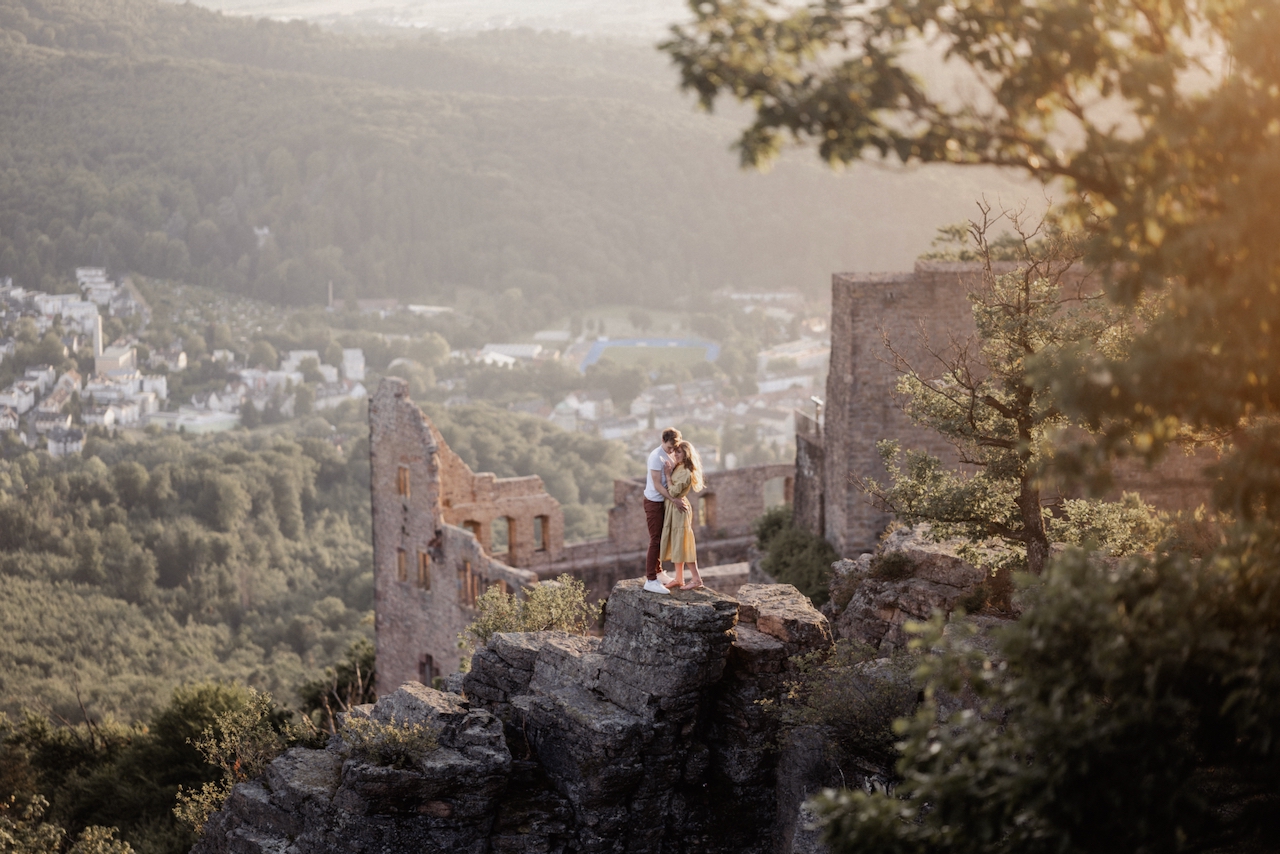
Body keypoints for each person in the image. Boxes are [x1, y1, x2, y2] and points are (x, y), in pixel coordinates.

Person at [643, 427, 689, 594]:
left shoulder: (671, 453)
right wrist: (674, 499)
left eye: (674, 448)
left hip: (664, 502)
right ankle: (650, 580)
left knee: (662, 539)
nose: (671, 451)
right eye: (669, 447)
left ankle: (658, 571)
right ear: (663, 440)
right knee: (655, 540)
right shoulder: (656, 457)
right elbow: (657, 485)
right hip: (654, 501)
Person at [660, 440, 704, 590]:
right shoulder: (679, 467)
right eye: (675, 451)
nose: (675, 454)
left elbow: (673, 492)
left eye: (679, 452)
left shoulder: (686, 471)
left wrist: (667, 476)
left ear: (686, 454)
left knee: (684, 543)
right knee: (677, 543)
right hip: (673, 508)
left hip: (680, 510)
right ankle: (679, 578)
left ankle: (696, 579)